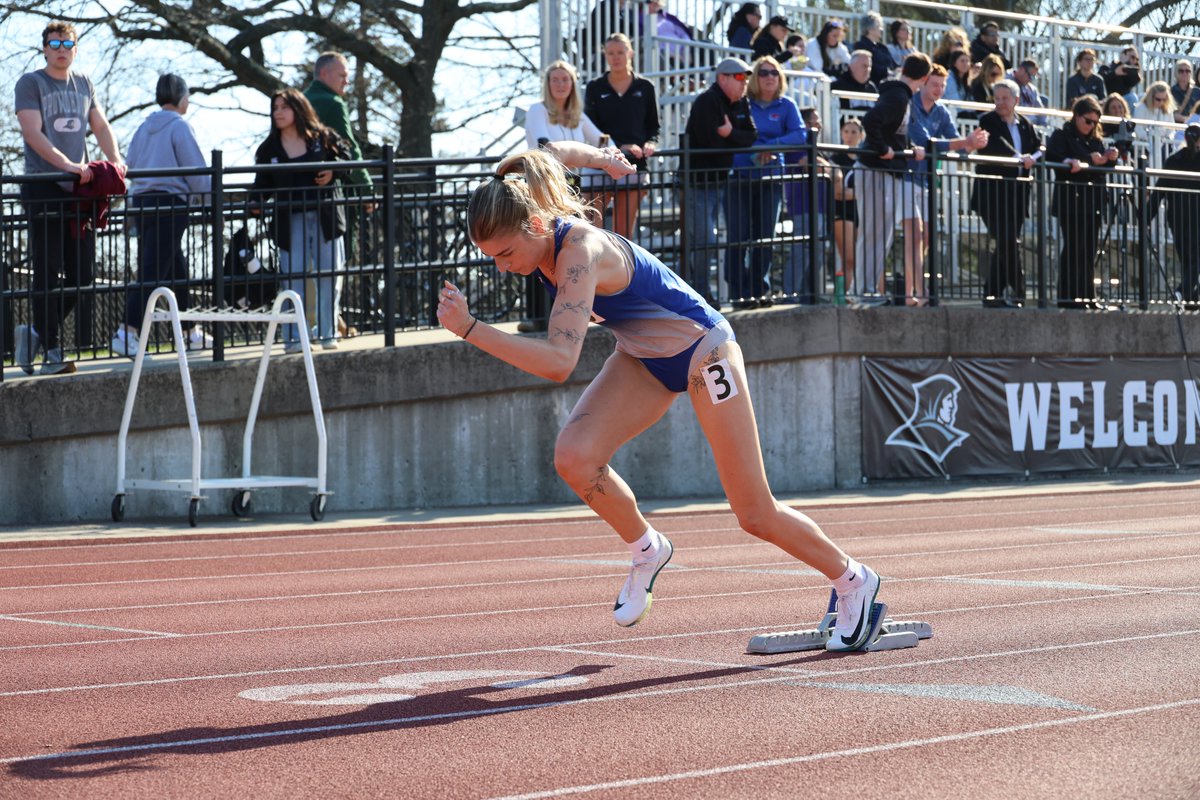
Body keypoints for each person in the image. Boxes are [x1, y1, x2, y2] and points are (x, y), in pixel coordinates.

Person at [437, 141, 886, 652]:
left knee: (754, 512)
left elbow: (560, 363)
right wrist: (603, 158)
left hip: (703, 353)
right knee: (575, 457)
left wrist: (471, 328)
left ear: (536, 226)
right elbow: (547, 152)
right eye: (492, 258)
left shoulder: (579, 252)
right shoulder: (531, 219)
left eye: (505, 255)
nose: (501, 268)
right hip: (643, 358)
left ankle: (855, 581)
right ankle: (647, 548)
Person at [14, 21, 126, 376]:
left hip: (78, 193)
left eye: (67, 42)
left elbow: (101, 126)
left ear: (75, 48)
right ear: (45, 48)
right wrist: (67, 165)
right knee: (47, 272)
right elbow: (32, 132)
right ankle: (51, 349)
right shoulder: (31, 83)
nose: (61, 48)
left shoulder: (85, 84)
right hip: (43, 186)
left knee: (82, 276)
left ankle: (33, 332)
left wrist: (117, 162)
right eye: (54, 42)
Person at [112, 73, 212, 358]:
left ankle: (190, 333)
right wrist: (208, 200)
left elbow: (131, 169)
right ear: (182, 98)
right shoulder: (180, 127)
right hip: (170, 204)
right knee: (153, 272)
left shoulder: (142, 129)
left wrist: (131, 207)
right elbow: (196, 171)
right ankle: (126, 331)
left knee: (174, 268)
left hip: (142, 204)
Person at [251, 88, 347, 350]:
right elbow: (262, 184)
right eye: (275, 108)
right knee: (292, 280)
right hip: (289, 220)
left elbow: (346, 160)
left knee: (329, 276)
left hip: (325, 217)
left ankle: (328, 335)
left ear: (298, 108)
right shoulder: (269, 147)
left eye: (283, 107)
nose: (278, 112)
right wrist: (255, 202)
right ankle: (293, 339)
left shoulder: (323, 137)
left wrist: (333, 172)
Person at [523, 60, 604, 332]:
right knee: (538, 246)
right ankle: (536, 315)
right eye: (555, 80)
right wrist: (582, 154)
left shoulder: (577, 116)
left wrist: (613, 152)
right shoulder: (537, 110)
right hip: (543, 186)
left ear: (572, 84)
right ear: (547, 85)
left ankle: (571, 311)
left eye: (565, 80)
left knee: (568, 250)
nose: (560, 85)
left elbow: (600, 139)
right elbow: (547, 146)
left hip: (571, 189)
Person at [304, 51, 374, 342]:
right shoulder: (331, 103)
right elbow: (349, 148)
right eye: (342, 75)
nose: (347, 81)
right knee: (332, 266)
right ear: (324, 74)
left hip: (300, 196)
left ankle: (315, 326)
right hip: (331, 200)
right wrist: (367, 188)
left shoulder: (302, 101)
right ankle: (328, 327)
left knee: (306, 269)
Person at [904, 65, 988, 306]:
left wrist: (973, 144)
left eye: (942, 85)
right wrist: (965, 142)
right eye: (934, 85)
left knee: (926, 238)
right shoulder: (910, 105)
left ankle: (912, 287)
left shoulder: (941, 111)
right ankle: (919, 292)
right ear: (924, 82)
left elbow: (957, 146)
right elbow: (925, 141)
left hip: (928, 180)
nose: (939, 90)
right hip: (906, 178)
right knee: (916, 236)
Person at [727, 56, 804, 308]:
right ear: (755, 78)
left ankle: (760, 290)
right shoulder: (742, 103)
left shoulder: (787, 105)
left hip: (770, 177)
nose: (770, 76)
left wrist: (769, 147)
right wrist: (756, 148)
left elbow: (800, 134)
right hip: (740, 176)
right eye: (763, 72)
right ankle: (738, 292)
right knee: (738, 236)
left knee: (765, 237)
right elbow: (733, 135)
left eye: (774, 72)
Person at [855, 53, 932, 301]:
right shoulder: (898, 96)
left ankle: (863, 290)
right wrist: (883, 149)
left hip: (882, 173)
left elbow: (893, 132)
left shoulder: (899, 95)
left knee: (881, 234)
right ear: (924, 78)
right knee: (875, 233)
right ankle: (862, 291)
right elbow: (871, 120)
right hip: (876, 171)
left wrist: (909, 149)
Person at [681, 57, 757, 307]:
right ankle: (700, 293)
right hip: (698, 182)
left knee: (708, 240)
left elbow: (751, 137)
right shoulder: (707, 101)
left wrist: (729, 133)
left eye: (745, 78)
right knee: (705, 240)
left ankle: (700, 292)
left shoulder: (741, 101)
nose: (743, 83)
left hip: (719, 181)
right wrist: (734, 138)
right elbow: (711, 145)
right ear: (721, 78)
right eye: (738, 78)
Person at [970, 79, 1042, 309]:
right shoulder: (987, 120)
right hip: (993, 195)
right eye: (997, 98)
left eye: (1005, 98)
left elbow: (1039, 146)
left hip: (1017, 196)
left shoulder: (1025, 124)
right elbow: (996, 146)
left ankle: (993, 296)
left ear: (1016, 100)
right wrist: (1017, 159)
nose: (1000, 103)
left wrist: (1034, 158)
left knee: (1005, 244)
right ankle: (1019, 292)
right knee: (1008, 242)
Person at [584, 32, 660, 240]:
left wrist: (650, 143)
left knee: (624, 233)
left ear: (631, 53)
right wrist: (619, 147)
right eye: (611, 53)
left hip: (634, 167)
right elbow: (591, 130)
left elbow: (654, 127)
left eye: (620, 52)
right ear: (604, 55)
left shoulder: (646, 87)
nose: (616, 57)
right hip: (602, 165)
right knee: (593, 231)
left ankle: (623, 272)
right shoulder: (594, 88)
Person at [1046, 95, 1119, 309]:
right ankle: (1068, 296)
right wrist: (1088, 160)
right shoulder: (1062, 135)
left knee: (1089, 249)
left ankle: (1088, 295)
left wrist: (1109, 159)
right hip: (1071, 200)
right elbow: (1055, 158)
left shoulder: (1095, 140)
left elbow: (1101, 171)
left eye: (1095, 122)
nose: (1091, 126)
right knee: (1073, 247)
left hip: (1092, 201)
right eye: (1087, 121)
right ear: (1076, 116)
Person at [783, 107, 833, 304]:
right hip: (803, 205)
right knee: (801, 251)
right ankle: (790, 294)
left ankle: (807, 294)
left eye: (818, 121)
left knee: (817, 252)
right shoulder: (798, 143)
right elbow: (813, 164)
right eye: (813, 121)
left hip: (820, 206)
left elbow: (823, 166)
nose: (817, 125)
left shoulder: (814, 146)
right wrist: (827, 167)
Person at [1151, 125, 1200, 302]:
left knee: (1188, 259)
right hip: (1196, 217)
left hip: (1177, 217)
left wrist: (1147, 216)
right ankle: (1182, 292)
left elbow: (1159, 191)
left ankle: (1190, 300)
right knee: (1195, 260)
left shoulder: (1173, 160)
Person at [831, 118, 862, 289]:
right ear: (841, 134)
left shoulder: (865, 159)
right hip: (842, 212)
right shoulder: (836, 158)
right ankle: (843, 297)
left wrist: (855, 194)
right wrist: (860, 193)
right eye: (846, 131)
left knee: (861, 258)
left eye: (854, 132)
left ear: (861, 135)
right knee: (848, 259)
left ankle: (855, 293)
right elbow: (839, 193)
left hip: (861, 212)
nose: (849, 136)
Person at [1134, 82, 1175, 168]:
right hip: (1144, 147)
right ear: (1151, 97)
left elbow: (1171, 130)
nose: (1161, 102)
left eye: (1164, 99)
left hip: (1163, 146)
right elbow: (1138, 129)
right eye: (1158, 99)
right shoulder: (1141, 108)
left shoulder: (1168, 111)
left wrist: (1163, 140)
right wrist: (1152, 139)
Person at [852, 11, 895, 86]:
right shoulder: (860, 46)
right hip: (872, 85)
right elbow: (869, 68)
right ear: (870, 29)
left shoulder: (882, 48)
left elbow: (893, 65)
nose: (881, 29)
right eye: (879, 26)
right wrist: (887, 72)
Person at [1009, 58, 1048, 125]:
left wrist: (1044, 126)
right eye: (1030, 76)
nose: (1031, 80)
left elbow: (1040, 111)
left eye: (1033, 77)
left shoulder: (1032, 89)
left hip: (1032, 126)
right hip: (1016, 123)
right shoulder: (1006, 83)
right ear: (1021, 70)